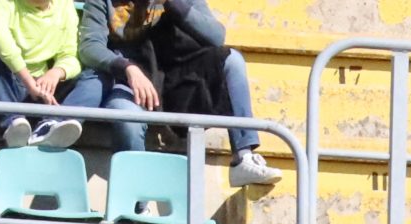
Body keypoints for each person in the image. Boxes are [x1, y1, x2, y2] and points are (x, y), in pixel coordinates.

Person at [83, 0, 281, 184]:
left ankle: (242, 158)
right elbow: (90, 47)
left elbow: (216, 36)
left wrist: (173, 3)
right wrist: (127, 68)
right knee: (126, 116)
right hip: (131, 81)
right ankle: (135, 202)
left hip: (176, 78)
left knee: (232, 60)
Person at [0, 0, 102, 146]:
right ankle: (12, 123)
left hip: (37, 90)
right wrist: (28, 80)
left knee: (96, 77)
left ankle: (51, 125)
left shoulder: (64, 4)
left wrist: (57, 72)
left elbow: (70, 54)